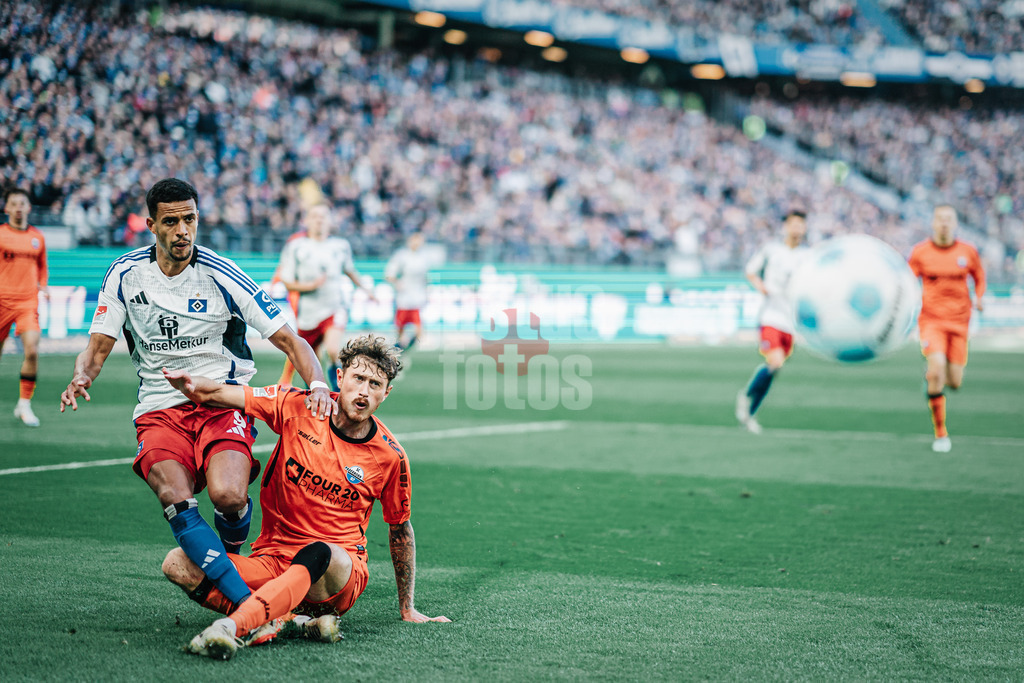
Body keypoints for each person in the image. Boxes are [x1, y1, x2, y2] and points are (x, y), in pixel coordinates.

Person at [59, 178, 336, 616]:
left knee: (229, 497)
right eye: (171, 222)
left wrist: (318, 384)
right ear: (151, 225)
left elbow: (291, 340)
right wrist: (81, 376)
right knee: (175, 494)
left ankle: (234, 564)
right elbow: (96, 350)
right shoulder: (125, 275)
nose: (183, 230)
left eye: (189, 219)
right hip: (158, 409)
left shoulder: (221, 274)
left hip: (221, 401)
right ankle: (247, 605)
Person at [160, 335, 450, 660]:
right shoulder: (296, 405)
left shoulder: (390, 457)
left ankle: (232, 626)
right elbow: (220, 393)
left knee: (321, 552)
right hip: (273, 561)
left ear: (386, 393)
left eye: (375, 384)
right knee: (178, 562)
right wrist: (190, 384)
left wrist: (407, 608)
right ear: (339, 376)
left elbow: (400, 529)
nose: (364, 391)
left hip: (334, 575)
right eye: (358, 378)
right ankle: (293, 622)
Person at [908, 205, 986, 453]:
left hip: (960, 322)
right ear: (933, 223)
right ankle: (941, 434)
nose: (944, 223)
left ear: (955, 223)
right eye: (940, 219)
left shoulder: (967, 251)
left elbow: (979, 276)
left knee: (955, 382)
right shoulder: (920, 252)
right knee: (937, 369)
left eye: (948, 219)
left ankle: (932, 377)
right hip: (931, 321)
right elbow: (907, 280)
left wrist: (979, 296)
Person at [275, 203, 375, 389]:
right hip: (308, 313)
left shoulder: (340, 246)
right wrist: (310, 286)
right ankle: (314, 387)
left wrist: (367, 290)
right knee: (309, 359)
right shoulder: (296, 247)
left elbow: (350, 270)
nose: (319, 220)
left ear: (330, 221)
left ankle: (339, 389)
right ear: (307, 220)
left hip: (334, 306)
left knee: (333, 350)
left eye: (323, 216)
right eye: (315, 216)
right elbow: (287, 281)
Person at [735, 210, 808, 433]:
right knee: (775, 362)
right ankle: (746, 395)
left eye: (801, 225)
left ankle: (750, 414)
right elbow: (750, 271)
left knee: (775, 369)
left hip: (790, 322)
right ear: (785, 227)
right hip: (771, 317)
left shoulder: (808, 256)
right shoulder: (772, 250)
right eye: (793, 224)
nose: (797, 229)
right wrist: (762, 288)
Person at [1, 188, 49, 427]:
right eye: (14, 203)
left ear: (29, 207)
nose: (18, 208)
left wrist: (44, 286)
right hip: (1, 301)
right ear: (6, 208)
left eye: (22, 203)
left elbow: (42, 266)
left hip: (27, 303)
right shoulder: (1, 235)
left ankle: (24, 404)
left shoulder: (37, 237)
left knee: (31, 351)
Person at [385, 232, 430, 351]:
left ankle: (412, 343)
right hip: (404, 296)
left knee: (418, 324)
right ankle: (399, 345)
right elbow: (389, 273)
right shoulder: (402, 255)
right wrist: (397, 282)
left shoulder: (423, 257)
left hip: (418, 296)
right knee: (401, 324)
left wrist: (427, 289)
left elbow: (425, 277)